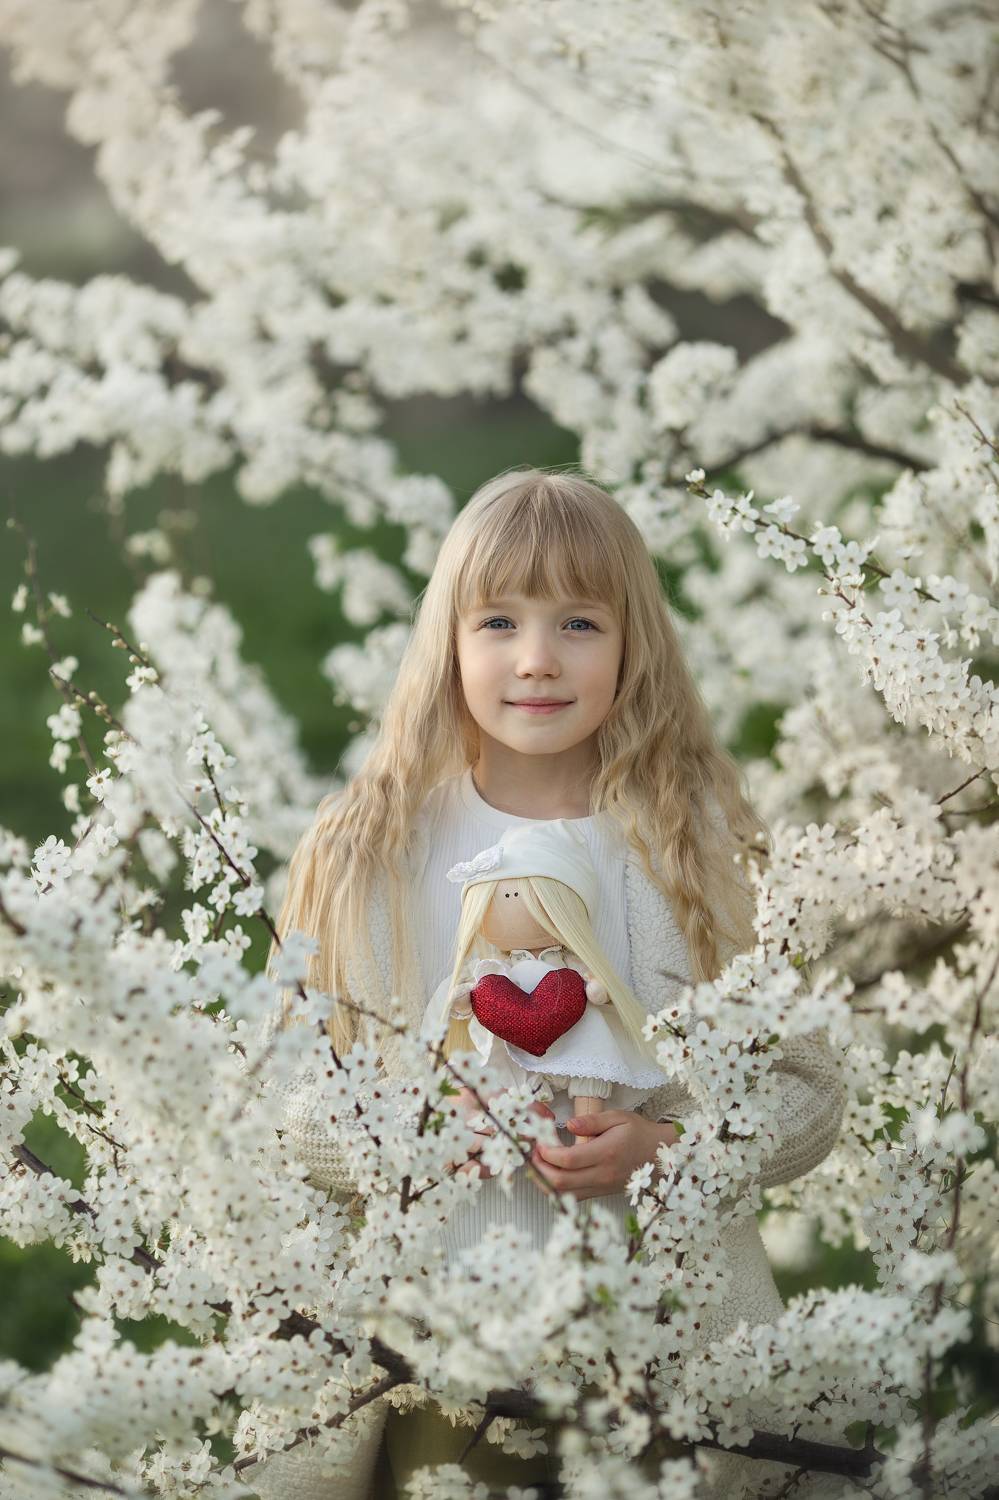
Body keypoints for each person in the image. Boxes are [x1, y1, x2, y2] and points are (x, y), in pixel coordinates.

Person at [255, 467, 847, 1499]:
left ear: (633, 646)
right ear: (449, 638)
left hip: (664, 1352)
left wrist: (671, 1149)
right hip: (438, 1349)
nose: (536, 660)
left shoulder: (693, 857)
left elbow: (808, 1090)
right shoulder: (369, 854)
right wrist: (421, 1140)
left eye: (578, 622)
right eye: (497, 622)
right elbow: (280, 1101)